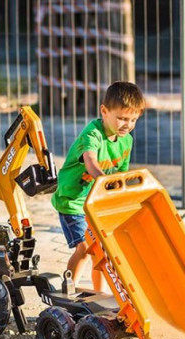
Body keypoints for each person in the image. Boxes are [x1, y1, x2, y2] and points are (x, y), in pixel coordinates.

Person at [51, 81, 146, 291]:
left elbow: (120, 174)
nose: (127, 125)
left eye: (133, 120)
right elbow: (91, 162)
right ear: (104, 111)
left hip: (96, 203)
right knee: (84, 249)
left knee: (101, 251)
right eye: (121, 118)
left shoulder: (126, 141)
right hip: (73, 201)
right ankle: (68, 292)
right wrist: (104, 182)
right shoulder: (92, 134)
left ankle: (98, 293)